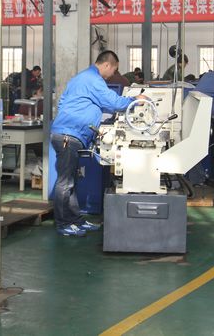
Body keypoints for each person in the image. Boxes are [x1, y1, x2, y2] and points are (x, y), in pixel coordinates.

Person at [51, 50, 147, 237]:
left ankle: (75, 220)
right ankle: (63, 224)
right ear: (107, 65)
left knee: (71, 181)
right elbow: (114, 102)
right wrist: (135, 100)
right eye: (114, 70)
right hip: (68, 136)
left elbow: (64, 103)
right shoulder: (93, 80)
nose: (113, 74)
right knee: (65, 183)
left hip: (69, 133)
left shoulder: (81, 78)